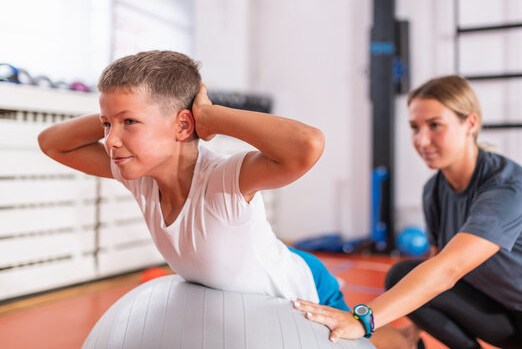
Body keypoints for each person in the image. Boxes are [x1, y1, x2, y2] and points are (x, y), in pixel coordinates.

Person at [294, 75, 522, 349]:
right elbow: (435, 269)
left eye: (435, 125)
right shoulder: (434, 190)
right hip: (512, 321)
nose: (422, 140)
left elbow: (449, 271)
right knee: (402, 273)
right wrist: (413, 330)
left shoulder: (506, 189)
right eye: (414, 127)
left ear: (470, 123)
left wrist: (362, 318)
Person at [38, 50, 351, 320]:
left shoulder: (223, 179)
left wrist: (211, 117)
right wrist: (119, 111)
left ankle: (402, 338)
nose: (110, 140)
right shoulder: (139, 175)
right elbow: (51, 143)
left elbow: (308, 145)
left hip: (309, 292)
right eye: (107, 125)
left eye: (129, 123)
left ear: (183, 124)